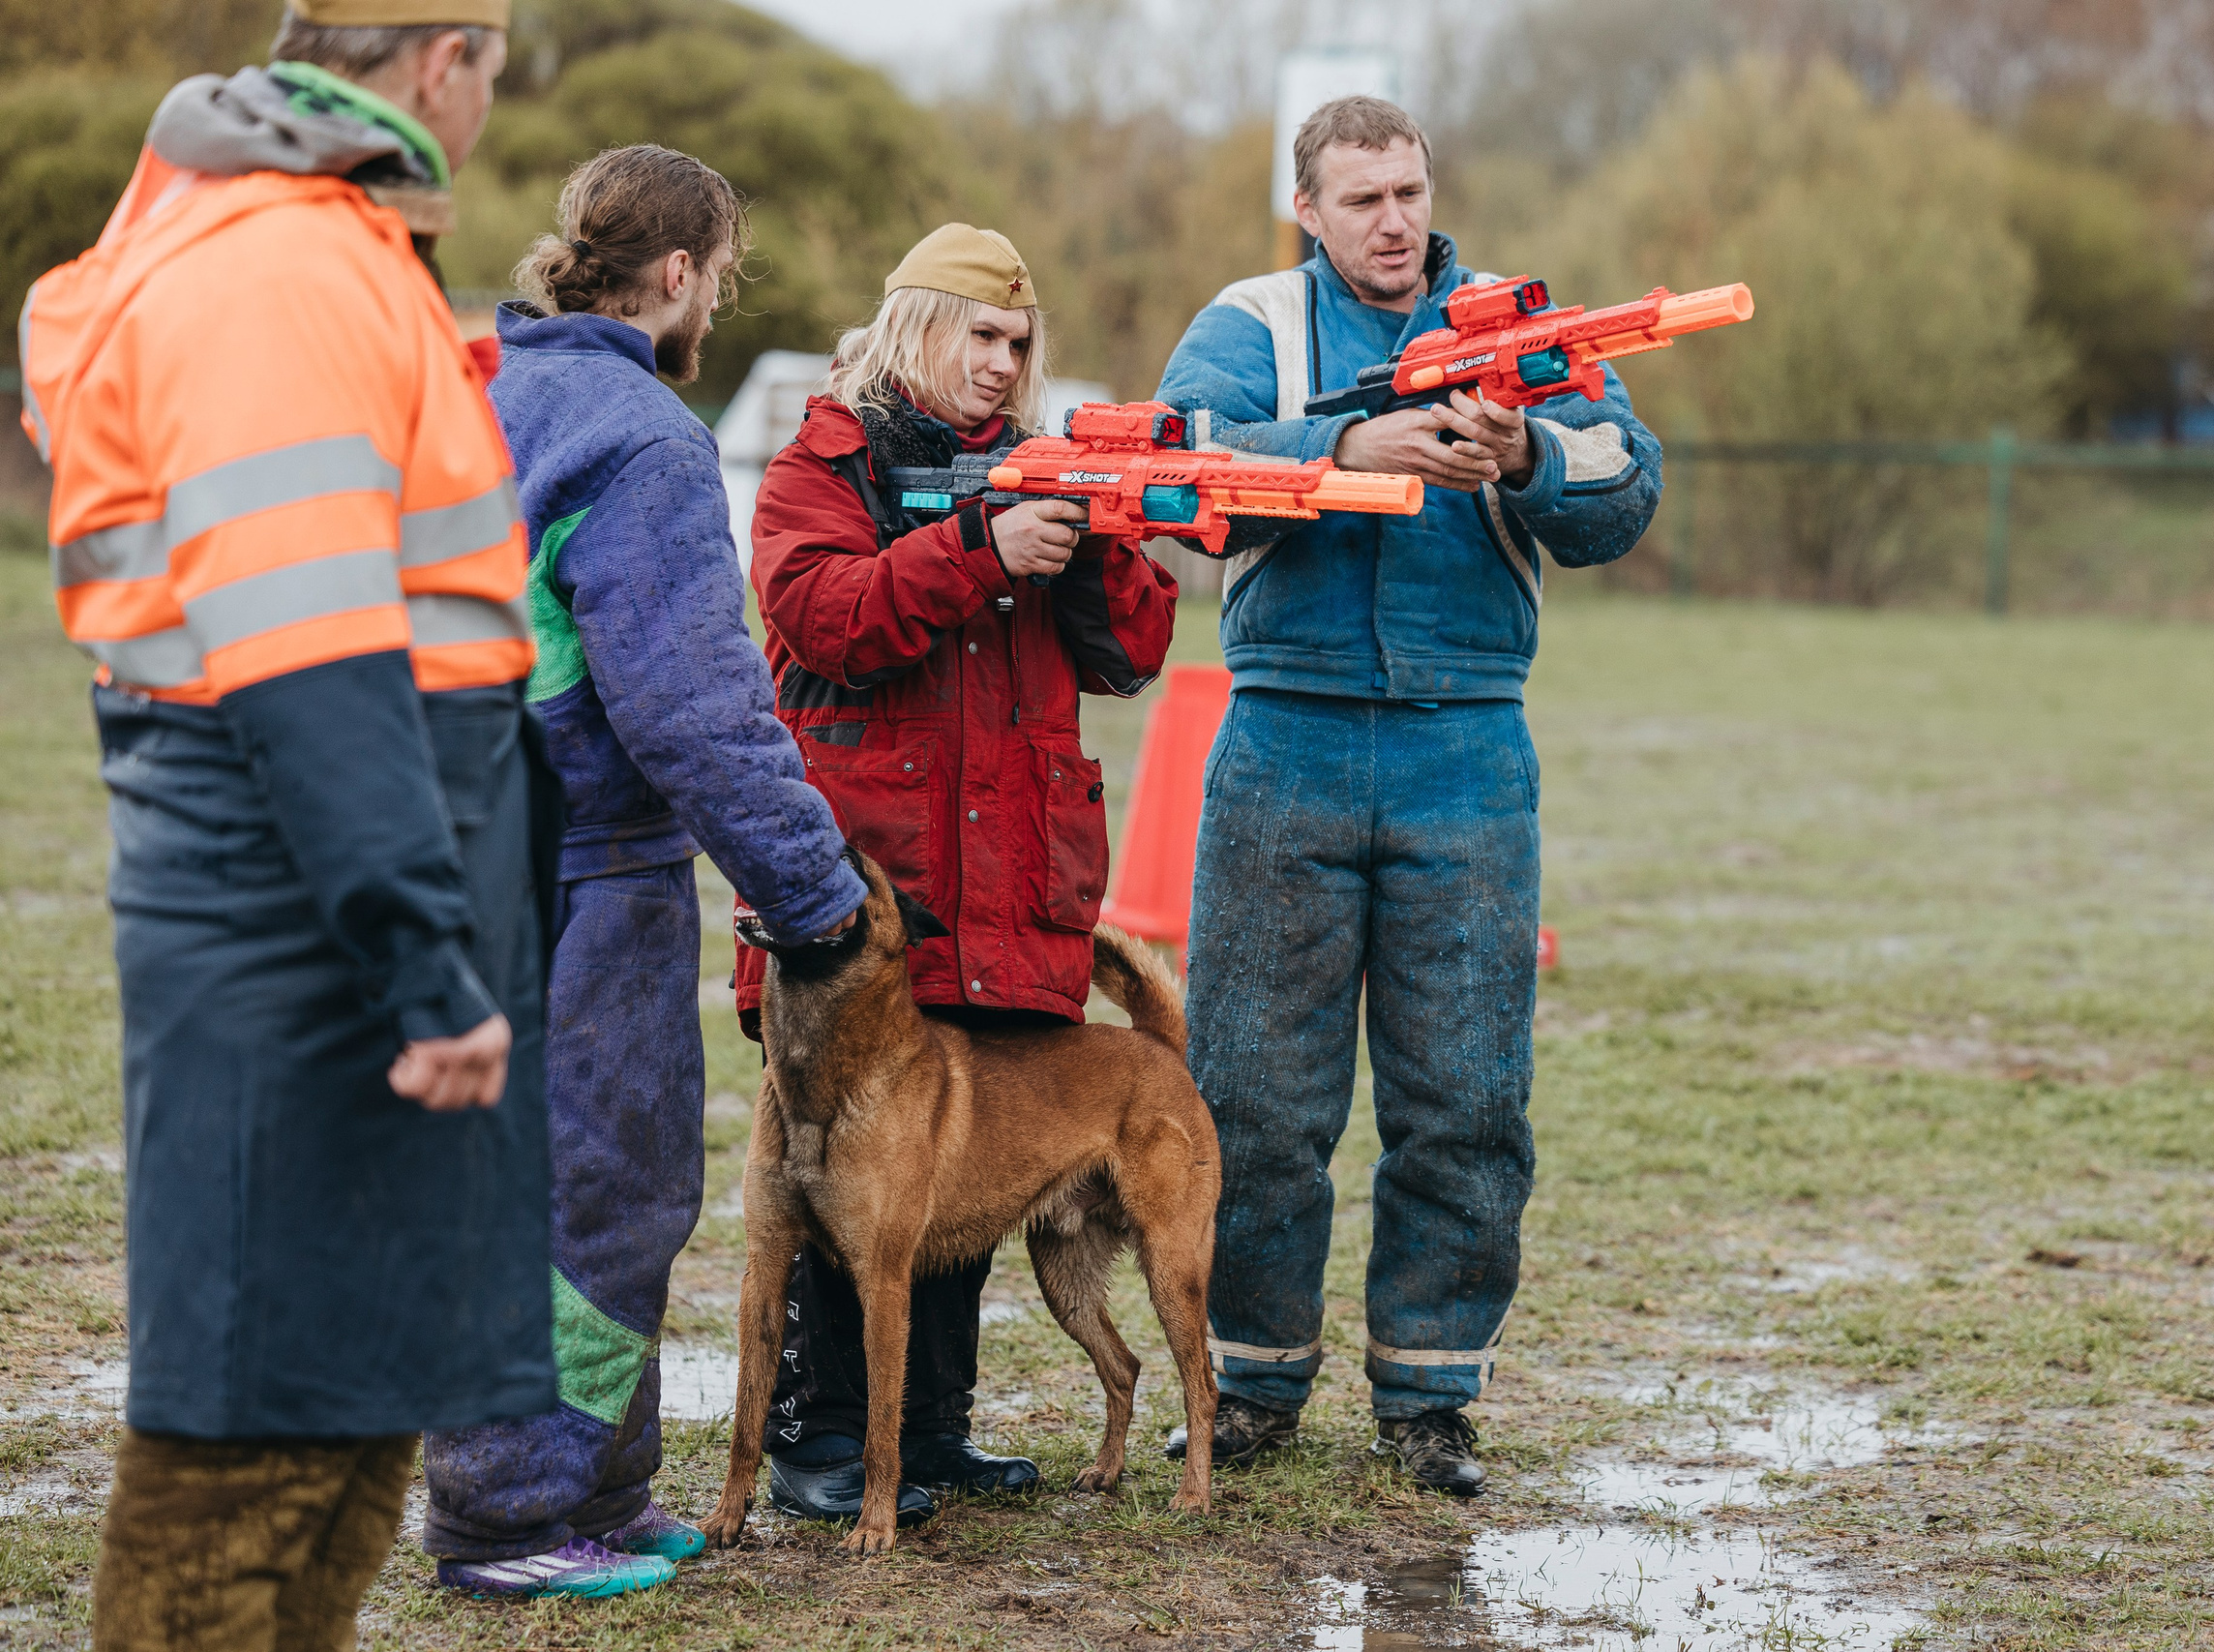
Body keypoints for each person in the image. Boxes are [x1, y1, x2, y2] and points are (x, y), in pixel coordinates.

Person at [20, 4, 560, 1645]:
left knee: (347, 1407)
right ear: (447, 59)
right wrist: (423, 952)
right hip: (300, 912)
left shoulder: (307, 238)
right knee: (245, 1434)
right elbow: (314, 647)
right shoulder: (282, 266)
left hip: (324, 881)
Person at [1152, 96, 1660, 1496]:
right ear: (1305, 211)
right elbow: (1172, 464)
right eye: (1362, 198)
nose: (1395, 221)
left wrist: (1529, 456)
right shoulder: (1255, 321)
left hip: (1468, 751)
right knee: (1254, 1093)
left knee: (1467, 1093)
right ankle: (1249, 1380)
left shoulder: (1520, 327)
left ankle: (1431, 1393)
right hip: (1285, 744)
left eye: (1411, 192)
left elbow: (1625, 489)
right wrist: (1339, 456)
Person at [418, 146, 872, 1596]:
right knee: (599, 1191)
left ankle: (595, 1491)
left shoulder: (483, 388)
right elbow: (694, 707)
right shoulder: (644, 435)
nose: (715, 304)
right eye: (720, 279)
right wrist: (815, 897)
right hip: (586, 863)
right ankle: (510, 1518)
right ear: (678, 274)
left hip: (458, 840)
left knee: (533, 1183)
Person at [728, 223, 1180, 1523]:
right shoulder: (824, 462)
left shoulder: (1042, 470)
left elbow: (1128, 653)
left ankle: (928, 1434)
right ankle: (821, 1442)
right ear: (916, 326)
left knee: (962, 1182)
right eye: (981, 335)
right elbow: (819, 616)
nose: (1003, 362)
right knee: (835, 1179)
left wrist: (1097, 542)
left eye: (1020, 342)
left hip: (1011, 881)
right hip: (865, 901)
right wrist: (979, 551)